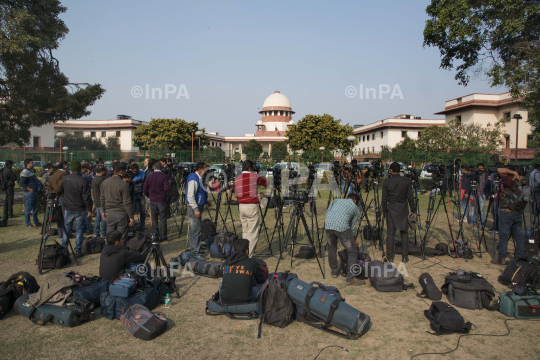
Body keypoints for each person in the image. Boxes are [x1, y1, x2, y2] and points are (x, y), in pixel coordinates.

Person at [382, 161, 416, 263]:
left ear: (391, 170)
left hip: (392, 209)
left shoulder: (387, 182)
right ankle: (405, 256)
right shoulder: (406, 181)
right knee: (404, 233)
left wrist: (384, 211)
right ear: (400, 170)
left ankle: (390, 256)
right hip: (403, 209)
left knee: (390, 233)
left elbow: (384, 199)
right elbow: (410, 197)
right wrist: (413, 210)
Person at [491, 166, 526, 266]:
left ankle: (501, 258)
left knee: (503, 236)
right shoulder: (522, 180)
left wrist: (513, 172)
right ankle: (520, 257)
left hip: (507, 211)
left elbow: (499, 170)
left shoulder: (510, 179)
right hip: (518, 211)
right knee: (518, 236)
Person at [325, 193, 362, 285]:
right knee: (352, 251)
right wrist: (353, 239)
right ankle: (350, 278)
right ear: (355, 201)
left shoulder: (336, 200)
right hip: (342, 228)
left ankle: (334, 271)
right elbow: (352, 227)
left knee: (332, 249)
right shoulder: (355, 208)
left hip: (328, 225)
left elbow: (328, 212)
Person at [234, 160, 268, 257]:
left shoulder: (237, 179)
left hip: (241, 207)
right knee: (252, 233)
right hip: (251, 206)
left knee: (245, 232)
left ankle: (242, 253)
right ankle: (248, 255)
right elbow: (266, 183)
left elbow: (236, 194)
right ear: (250, 168)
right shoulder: (254, 177)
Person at [219, 239, 267, 304]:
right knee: (264, 284)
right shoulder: (252, 263)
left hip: (225, 301)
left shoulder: (226, 263)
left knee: (222, 281)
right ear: (247, 251)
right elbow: (261, 280)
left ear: (234, 251)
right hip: (246, 300)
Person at [62, 161, 92, 256]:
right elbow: (86, 197)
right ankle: (77, 249)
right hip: (80, 207)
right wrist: (89, 209)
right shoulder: (83, 180)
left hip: (69, 207)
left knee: (67, 228)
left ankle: (64, 247)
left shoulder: (65, 179)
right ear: (80, 169)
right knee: (79, 229)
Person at [101, 162, 134, 243]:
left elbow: (102, 198)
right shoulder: (123, 184)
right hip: (121, 214)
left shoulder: (105, 182)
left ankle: (109, 253)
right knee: (121, 238)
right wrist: (131, 216)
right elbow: (127, 202)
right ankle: (121, 253)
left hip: (110, 213)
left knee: (110, 237)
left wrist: (103, 211)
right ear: (120, 172)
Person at [186, 162, 211, 255]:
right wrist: (196, 209)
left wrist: (205, 201)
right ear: (200, 169)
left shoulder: (198, 178)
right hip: (194, 207)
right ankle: (194, 250)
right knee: (195, 229)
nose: (205, 172)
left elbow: (199, 193)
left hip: (197, 206)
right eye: (204, 170)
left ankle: (196, 247)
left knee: (197, 228)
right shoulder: (194, 179)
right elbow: (190, 196)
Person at [143, 161, 170, 241]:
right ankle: (163, 235)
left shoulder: (149, 176)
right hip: (161, 199)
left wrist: (149, 196)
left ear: (153, 167)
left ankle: (155, 234)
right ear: (161, 167)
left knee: (154, 217)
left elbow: (144, 189)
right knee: (162, 218)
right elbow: (166, 188)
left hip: (153, 199)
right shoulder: (164, 176)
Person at [47, 161, 68, 238]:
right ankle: (65, 233)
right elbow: (60, 186)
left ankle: (60, 233)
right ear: (63, 166)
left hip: (56, 197)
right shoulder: (63, 174)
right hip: (62, 196)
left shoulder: (53, 175)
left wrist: (53, 194)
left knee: (59, 215)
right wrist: (57, 193)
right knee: (64, 215)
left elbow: (49, 187)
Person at [19, 159, 42, 229]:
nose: (33, 163)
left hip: (34, 192)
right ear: (27, 164)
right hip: (29, 193)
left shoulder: (31, 171)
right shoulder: (25, 172)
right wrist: (29, 189)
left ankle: (36, 222)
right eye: (32, 162)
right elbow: (21, 183)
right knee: (28, 209)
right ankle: (28, 224)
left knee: (35, 208)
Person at [470, 163, 488, 227]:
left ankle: (481, 223)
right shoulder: (474, 174)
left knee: (481, 209)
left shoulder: (486, 175)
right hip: (473, 193)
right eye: (479, 169)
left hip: (482, 194)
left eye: (482, 169)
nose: (480, 170)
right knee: (473, 208)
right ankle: (472, 222)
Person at [92, 165, 107, 238]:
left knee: (98, 218)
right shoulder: (100, 180)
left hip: (96, 201)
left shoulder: (94, 178)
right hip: (101, 201)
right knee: (104, 217)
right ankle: (103, 233)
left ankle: (96, 232)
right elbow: (103, 192)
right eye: (105, 171)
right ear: (101, 171)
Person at [130, 163, 146, 227]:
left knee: (142, 210)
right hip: (133, 194)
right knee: (132, 210)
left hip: (141, 194)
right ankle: (132, 224)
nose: (134, 172)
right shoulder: (130, 174)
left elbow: (144, 182)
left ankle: (142, 224)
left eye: (135, 171)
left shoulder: (142, 173)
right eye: (133, 171)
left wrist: (144, 190)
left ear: (138, 169)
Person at [81, 166, 94, 235]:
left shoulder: (78, 177)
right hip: (87, 197)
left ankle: (83, 227)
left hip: (79, 198)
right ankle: (88, 228)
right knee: (87, 213)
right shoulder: (86, 177)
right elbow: (91, 182)